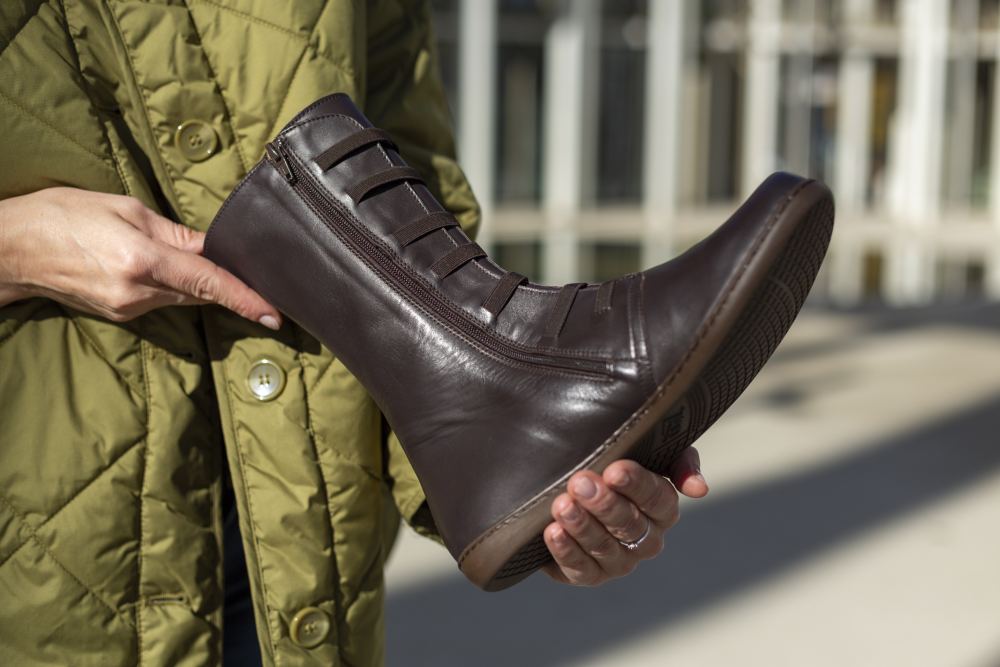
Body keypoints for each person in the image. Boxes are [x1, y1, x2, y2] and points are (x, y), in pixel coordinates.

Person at [0, 1, 708, 665]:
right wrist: (13, 248)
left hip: (300, 540)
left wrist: (506, 469)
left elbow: (406, 175)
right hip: (48, 549)